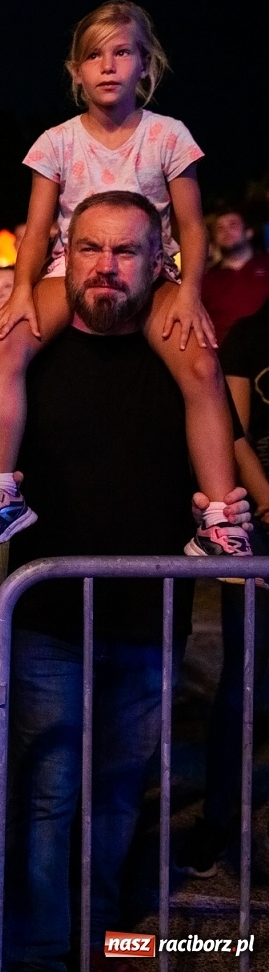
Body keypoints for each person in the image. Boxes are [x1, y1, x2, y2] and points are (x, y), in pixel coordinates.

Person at [0, 190, 253, 969]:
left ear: (158, 260)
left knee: (120, 797)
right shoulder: (32, 346)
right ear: (66, 252)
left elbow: (220, 442)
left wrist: (222, 511)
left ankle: (104, 949)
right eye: (90, 249)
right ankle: (37, 955)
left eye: (125, 252)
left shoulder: (180, 346)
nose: (105, 267)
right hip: (47, 615)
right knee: (47, 796)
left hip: (145, 618)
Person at [0, 0, 246, 560]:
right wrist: (22, 290)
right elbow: (40, 228)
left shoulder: (168, 135)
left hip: (151, 273)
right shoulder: (56, 142)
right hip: (69, 272)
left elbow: (192, 226)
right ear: (76, 70)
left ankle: (219, 517)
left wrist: (189, 291)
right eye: (94, 55)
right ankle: (0, 490)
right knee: (7, 344)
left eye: (122, 53)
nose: (108, 65)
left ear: (146, 65)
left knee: (200, 363)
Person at [179, 287, 269, 877]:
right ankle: (216, 826)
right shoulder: (252, 335)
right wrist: (265, 500)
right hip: (261, 526)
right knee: (245, 682)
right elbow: (233, 432)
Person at [201, 205, 269, 341]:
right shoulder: (206, 281)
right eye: (220, 228)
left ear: (248, 232)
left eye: (233, 225)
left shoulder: (266, 263)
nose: (226, 231)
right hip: (227, 355)